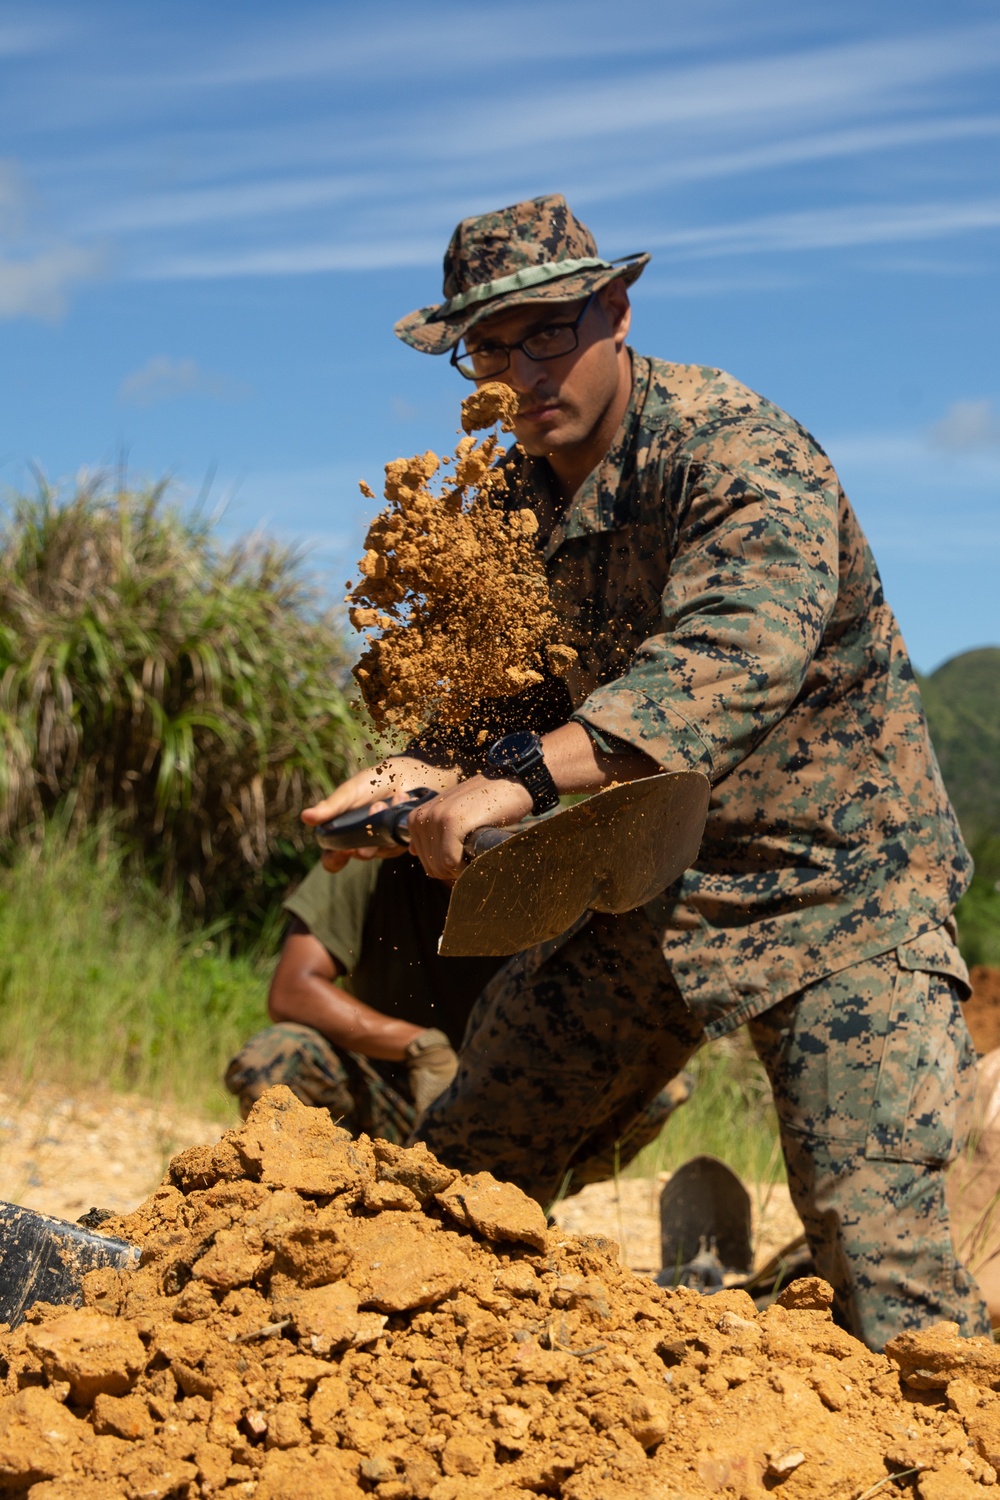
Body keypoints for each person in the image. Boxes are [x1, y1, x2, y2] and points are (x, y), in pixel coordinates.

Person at [303, 193, 986, 1350]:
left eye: (549, 333)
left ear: (615, 311)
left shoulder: (732, 447)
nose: (520, 371)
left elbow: (734, 651)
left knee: (892, 1276)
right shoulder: (514, 497)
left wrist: (515, 775)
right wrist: (424, 767)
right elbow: (504, 691)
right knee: (464, 1172)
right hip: (656, 882)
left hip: (840, 891)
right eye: (491, 347)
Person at [226, 848, 691, 1170]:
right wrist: (419, 1046)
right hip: (385, 1098)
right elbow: (292, 989)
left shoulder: (552, 877)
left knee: (659, 1088)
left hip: (502, 1122)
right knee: (276, 1056)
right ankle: (334, 1197)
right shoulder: (375, 863)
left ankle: (519, 1201)